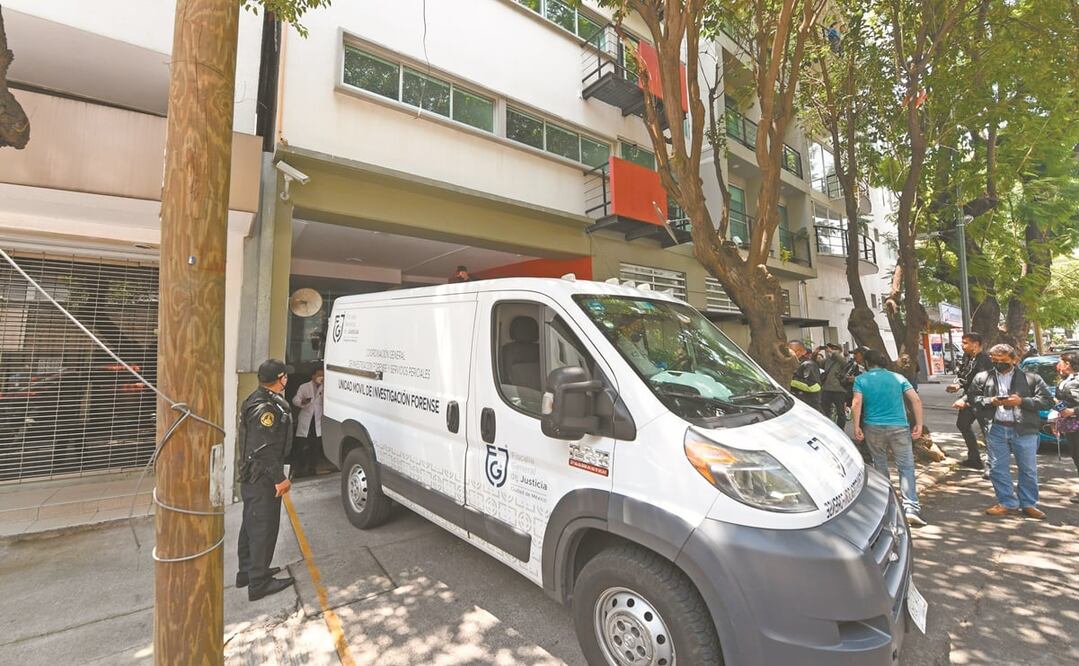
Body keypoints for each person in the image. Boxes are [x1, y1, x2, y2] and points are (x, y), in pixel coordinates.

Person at [969, 344, 1054, 519]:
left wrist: (1021, 401)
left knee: (1028, 469)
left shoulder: (1031, 378)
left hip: (1024, 429)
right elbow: (972, 398)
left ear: (1014, 360)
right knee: (997, 469)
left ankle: (1028, 504)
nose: (999, 364)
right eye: (995, 361)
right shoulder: (983, 377)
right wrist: (990, 401)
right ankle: (1007, 502)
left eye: (1003, 361)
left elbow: (1047, 401)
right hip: (996, 428)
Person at [237, 359, 296, 601]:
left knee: (251, 525)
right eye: (285, 376)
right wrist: (279, 478)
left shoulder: (258, 398)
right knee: (263, 528)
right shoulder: (266, 409)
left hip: (255, 476)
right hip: (262, 477)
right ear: (281, 378)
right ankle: (259, 582)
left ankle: (248, 572)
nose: (287, 379)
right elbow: (264, 450)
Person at [851, 349, 928, 527]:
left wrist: (856, 426)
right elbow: (916, 400)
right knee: (906, 466)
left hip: (873, 427)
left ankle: (886, 505)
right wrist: (919, 423)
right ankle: (911, 508)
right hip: (899, 426)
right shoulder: (898, 378)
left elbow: (856, 403)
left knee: (880, 464)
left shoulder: (861, 379)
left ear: (868, 363)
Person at [947, 332, 993, 471]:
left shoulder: (985, 360)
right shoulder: (967, 357)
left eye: (965, 343)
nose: (962, 345)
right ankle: (974, 458)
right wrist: (957, 385)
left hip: (982, 400)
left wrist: (966, 400)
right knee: (962, 424)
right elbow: (963, 375)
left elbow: (983, 385)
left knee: (988, 433)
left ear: (976, 344)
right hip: (968, 397)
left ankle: (992, 466)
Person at [1052, 352, 1079, 504]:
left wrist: (1073, 411)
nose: (1058, 364)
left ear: (1068, 364)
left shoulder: (1076, 380)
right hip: (1070, 425)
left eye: (1060, 361)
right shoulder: (1065, 380)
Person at [291, 368, 325, 477]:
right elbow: (295, 399)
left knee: (315, 446)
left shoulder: (326, 387)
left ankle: (312, 469)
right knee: (302, 446)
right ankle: (300, 469)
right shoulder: (304, 387)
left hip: (318, 421)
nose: (321, 377)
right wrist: (302, 401)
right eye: (319, 375)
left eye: (323, 375)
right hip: (306, 419)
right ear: (313, 376)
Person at [820, 343, 850, 428]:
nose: (831, 350)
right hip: (826, 389)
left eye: (834, 348)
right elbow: (817, 362)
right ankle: (827, 428)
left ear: (839, 350)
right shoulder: (827, 360)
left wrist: (833, 352)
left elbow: (844, 363)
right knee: (825, 411)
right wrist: (816, 352)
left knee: (841, 412)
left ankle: (840, 429)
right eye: (831, 348)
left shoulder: (843, 359)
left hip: (839, 390)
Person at [788, 340, 823, 412]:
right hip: (799, 406)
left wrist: (789, 380)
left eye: (794, 350)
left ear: (803, 352)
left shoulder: (808, 364)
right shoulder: (796, 364)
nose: (790, 353)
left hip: (810, 406)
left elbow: (813, 386)